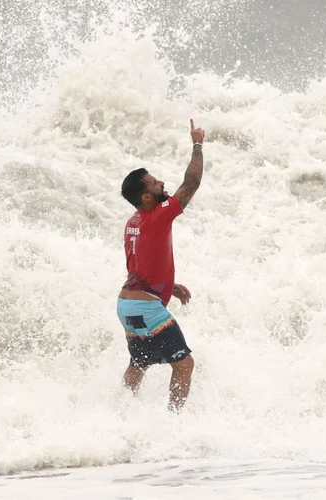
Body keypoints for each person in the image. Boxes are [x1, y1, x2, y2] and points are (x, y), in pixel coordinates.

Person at [116, 119, 205, 412]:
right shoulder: (158, 216)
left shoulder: (133, 222)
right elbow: (190, 184)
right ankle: (173, 424)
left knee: (139, 363)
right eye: (155, 183)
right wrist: (197, 143)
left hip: (127, 306)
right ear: (146, 196)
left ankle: (121, 414)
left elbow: (137, 265)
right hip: (146, 307)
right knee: (184, 363)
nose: (161, 183)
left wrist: (168, 285)